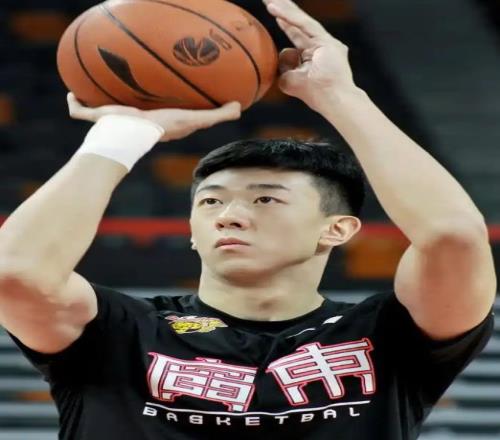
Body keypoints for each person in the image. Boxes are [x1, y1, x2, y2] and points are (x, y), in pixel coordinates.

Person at [0, 0, 496, 438]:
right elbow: (14, 274)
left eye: (265, 200)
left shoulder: (387, 335)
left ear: (337, 228)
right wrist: (121, 135)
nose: (230, 216)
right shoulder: (122, 332)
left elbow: (452, 236)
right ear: (192, 231)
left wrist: (340, 97)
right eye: (210, 202)